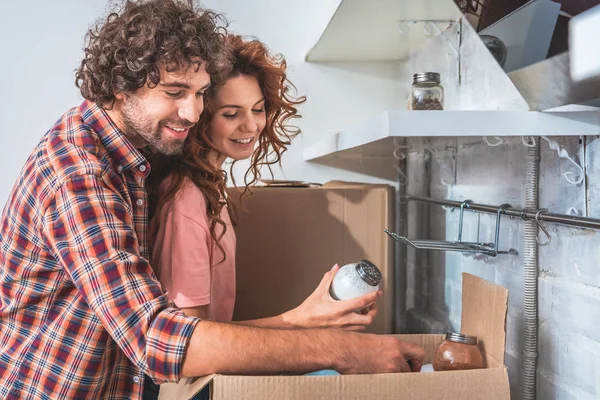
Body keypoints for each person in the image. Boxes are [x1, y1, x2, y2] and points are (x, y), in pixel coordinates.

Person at [0, 2, 424, 400]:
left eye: (201, 93)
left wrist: (301, 322)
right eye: (174, 91)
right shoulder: (77, 174)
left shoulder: (134, 157)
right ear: (119, 86)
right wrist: (341, 351)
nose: (192, 112)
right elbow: (158, 339)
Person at [147, 35, 380, 333]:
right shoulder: (186, 200)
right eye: (231, 114)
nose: (251, 126)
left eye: (257, 109)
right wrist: (303, 320)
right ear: (199, 116)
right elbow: (190, 339)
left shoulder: (209, 188)